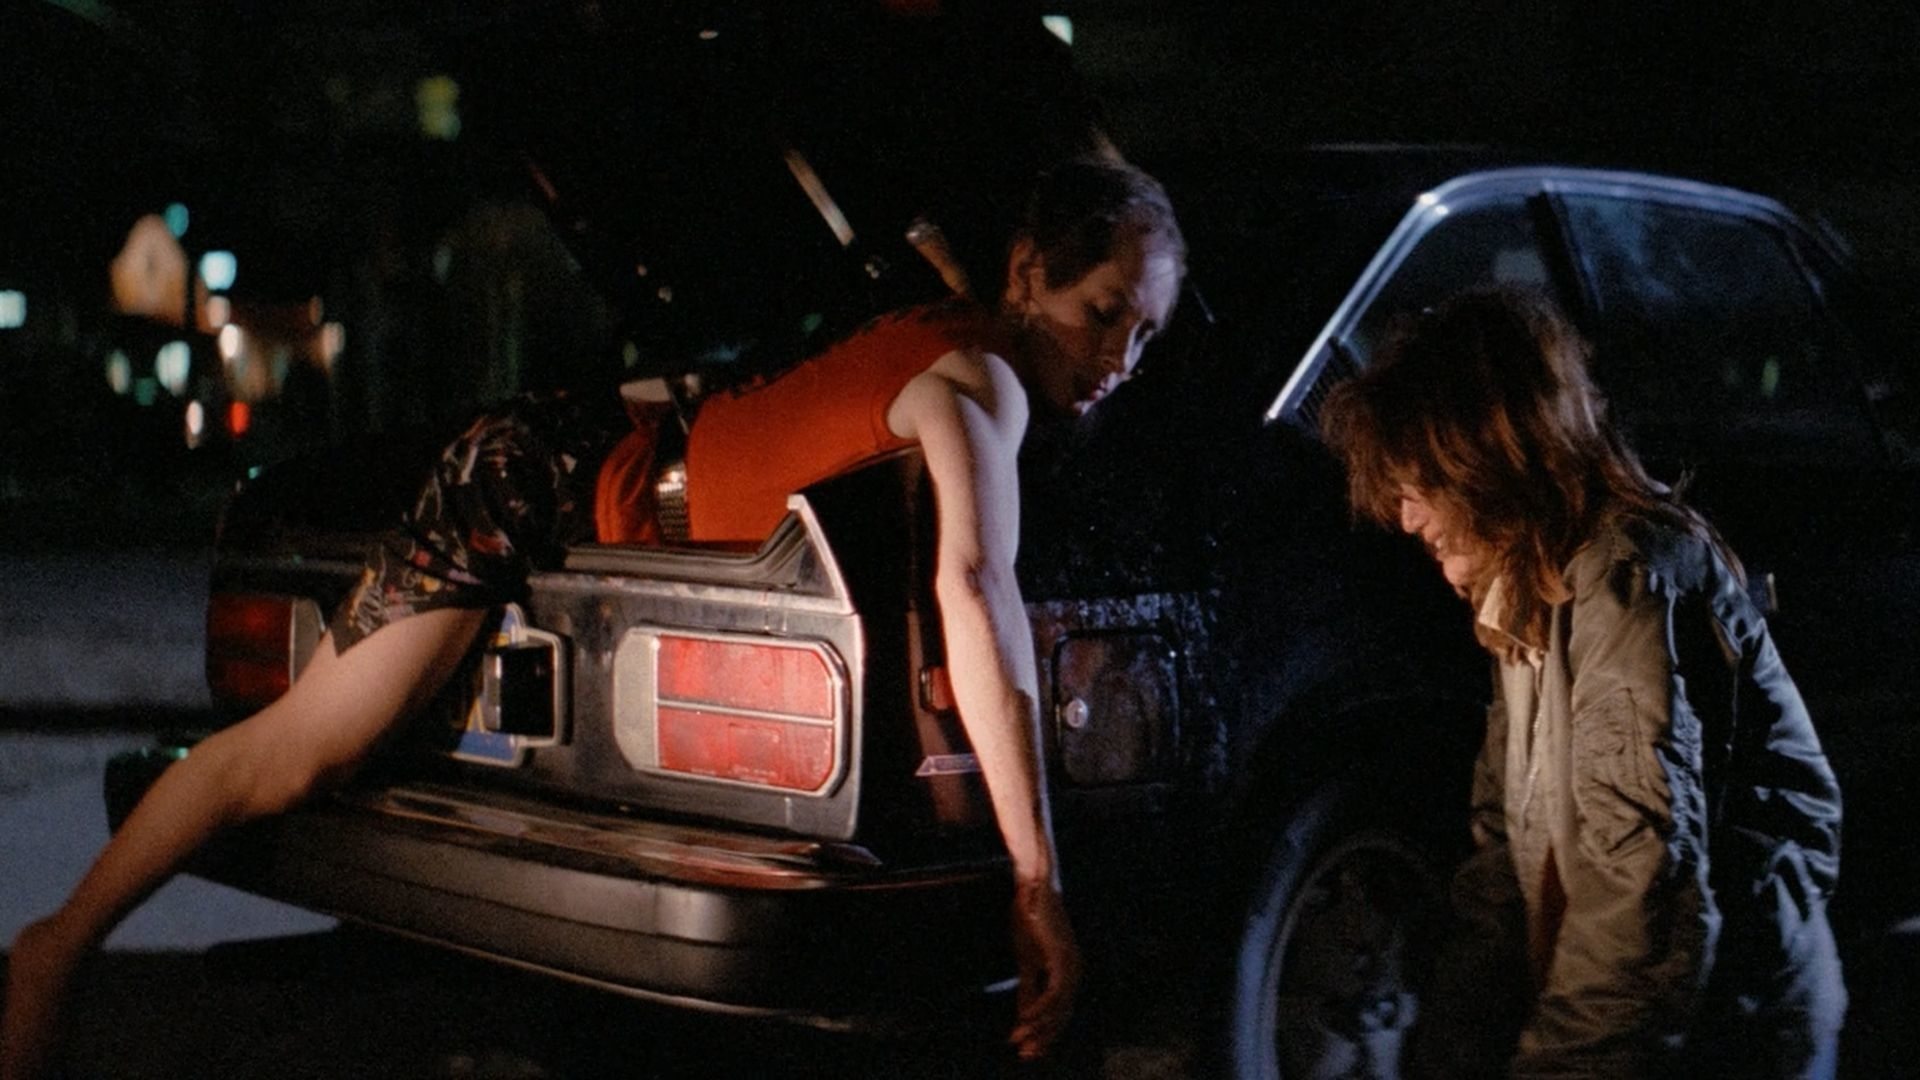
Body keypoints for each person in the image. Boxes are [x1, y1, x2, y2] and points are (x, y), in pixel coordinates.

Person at [2, 156, 1186, 1078]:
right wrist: (1038, 882)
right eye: (1103, 313)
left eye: (1145, 334)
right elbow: (976, 598)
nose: (1121, 359)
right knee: (302, 755)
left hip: (594, 456)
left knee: (320, 752)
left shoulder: (955, 333)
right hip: (533, 476)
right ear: (1028, 273)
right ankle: (60, 944)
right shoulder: (982, 385)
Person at [1320, 289, 1846, 1078]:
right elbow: (1503, 857)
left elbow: (1640, 895)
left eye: (1416, 485)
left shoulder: (1623, 584)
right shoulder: (1527, 602)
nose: (1406, 519)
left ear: (1485, 457)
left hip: (1730, 1038)